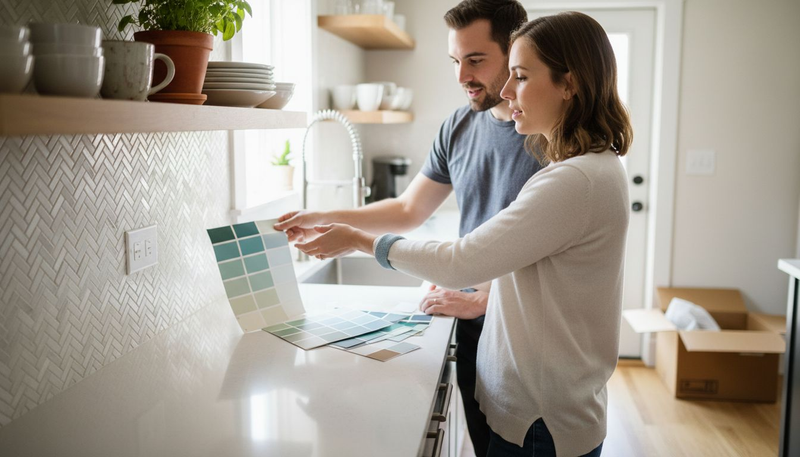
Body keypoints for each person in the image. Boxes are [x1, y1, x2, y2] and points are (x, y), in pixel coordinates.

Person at [286, 11, 633, 457]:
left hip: (541, 418)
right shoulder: (585, 168)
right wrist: (330, 219)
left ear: (570, 84)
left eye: (521, 76)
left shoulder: (572, 180)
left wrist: (360, 239)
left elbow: (464, 261)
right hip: (531, 401)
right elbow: (431, 220)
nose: (507, 92)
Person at [274, 1, 537, 455]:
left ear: (515, 53)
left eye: (476, 60)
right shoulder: (459, 126)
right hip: (470, 322)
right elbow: (407, 209)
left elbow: (554, 251)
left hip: (525, 331)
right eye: (456, 61)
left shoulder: (548, 134)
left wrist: (488, 298)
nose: (462, 77)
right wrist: (323, 215)